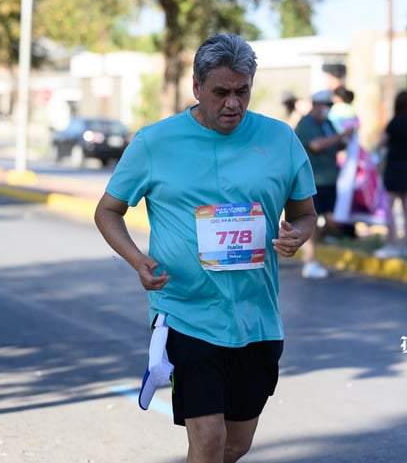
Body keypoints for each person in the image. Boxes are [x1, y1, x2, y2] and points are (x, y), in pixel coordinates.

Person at [94, 34, 318, 463]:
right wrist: (138, 260)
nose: (233, 103)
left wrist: (299, 234)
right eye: (221, 92)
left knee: (237, 444)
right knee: (209, 439)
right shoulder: (154, 142)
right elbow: (108, 211)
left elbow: (305, 213)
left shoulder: (280, 139)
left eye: (242, 91)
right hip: (185, 312)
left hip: (257, 316)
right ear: (196, 88)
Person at [294, 89, 353, 278]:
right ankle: (310, 261)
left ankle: (310, 246)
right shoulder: (305, 124)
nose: (328, 109)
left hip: (330, 180)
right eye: (325, 105)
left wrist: (348, 140)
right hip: (312, 182)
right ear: (316, 105)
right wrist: (340, 136)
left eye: (330, 105)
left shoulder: (328, 124)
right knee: (311, 222)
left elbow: (336, 144)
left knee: (333, 223)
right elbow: (317, 145)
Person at [375, 91, 407, 259]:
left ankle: (391, 243)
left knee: (388, 208)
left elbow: (380, 143)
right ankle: (405, 246)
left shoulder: (394, 122)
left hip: (395, 168)